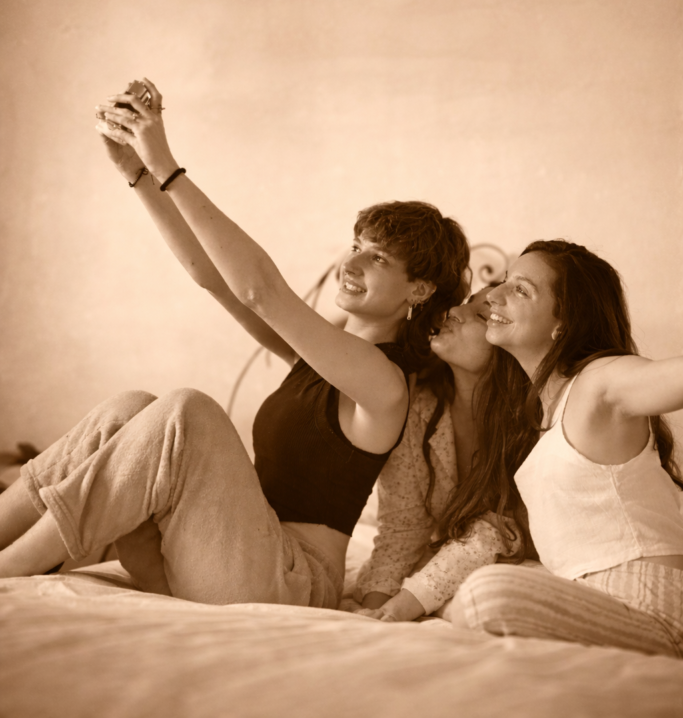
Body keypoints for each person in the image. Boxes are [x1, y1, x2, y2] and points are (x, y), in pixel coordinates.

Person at [0, 78, 470, 611]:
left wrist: (166, 165)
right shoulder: (317, 357)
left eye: (378, 258)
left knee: (188, 411)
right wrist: (136, 172)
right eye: (357, 245)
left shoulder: (384, 385)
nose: (352, 262)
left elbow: (259, 290)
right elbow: (214, 279)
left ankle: (10, 568)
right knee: (129, 409)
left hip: (288, 579)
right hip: (221, 555)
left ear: (419, 290)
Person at [452, 240, 683, 657]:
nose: (493, 296)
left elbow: (671, 378)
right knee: (476, 593)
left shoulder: (597, 382)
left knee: (483, 593)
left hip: (652, 603)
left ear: (564, 323)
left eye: (521, 290)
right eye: (503, 281)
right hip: (594, 599)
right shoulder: (538, 417)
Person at [354, 287, 536, 621]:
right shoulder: (419, 408)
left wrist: (401, 605)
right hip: (449, 559)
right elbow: (403, 527)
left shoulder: (530, 427)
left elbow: (498, 530)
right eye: (465, 302)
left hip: (521, 566)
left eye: (480, 315)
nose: (454, 311)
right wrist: (374, 607)